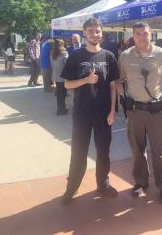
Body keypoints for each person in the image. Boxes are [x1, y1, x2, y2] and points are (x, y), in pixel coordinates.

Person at [117, 22, 162, 204]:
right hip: (135, 111)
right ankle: (141, 182)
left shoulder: (161, 54)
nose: (142, 37)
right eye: (138, 34)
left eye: (145, 34)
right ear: (133, 36)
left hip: (156, 112)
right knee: (137, 150)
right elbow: (118, 79)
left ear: (151, 34)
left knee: (160, 150)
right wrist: (123, 96)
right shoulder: (125, 56)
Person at [60, 18, 119, 205]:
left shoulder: (109, 56)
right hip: (82, 113)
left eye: (98, 31)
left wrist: (112, 111)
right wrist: (86, 80)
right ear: (85, 33)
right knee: (78, 152)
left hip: (103, 114)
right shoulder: (76, 56)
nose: (95, 34)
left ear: (102, 32)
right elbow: (67, 84)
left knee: (103, 152)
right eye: (91, 31)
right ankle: (72, 188)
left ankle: (103, 184)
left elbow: (113, 86)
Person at [51, 39, 69, 115]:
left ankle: (61, 109)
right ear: (62, 44)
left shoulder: (52, 53)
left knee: (59, 94)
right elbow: (67, 65)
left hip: (56, 76)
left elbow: (52, 65)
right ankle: (61, 110)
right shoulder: (64, 53)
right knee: (62, 94)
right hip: (63, 77)